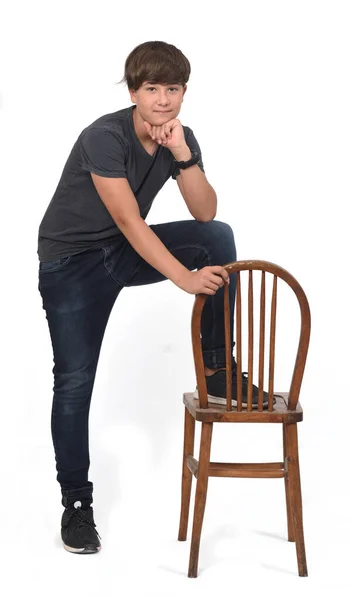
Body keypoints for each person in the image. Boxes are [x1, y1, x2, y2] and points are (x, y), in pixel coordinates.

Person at [37, 40, 271, 555]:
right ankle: (76, 504)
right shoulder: (103, 135)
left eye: (173, 89)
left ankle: (218, 371)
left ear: (184, 91)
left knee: (217, 238)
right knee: (74, 381)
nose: (163, 100)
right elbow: (127, 218)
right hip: (71, 265)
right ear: (133, 91)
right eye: (151, 89)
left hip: (121, 252)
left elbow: (206, 213)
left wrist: (183, 155)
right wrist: (183, 280)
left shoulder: (177, 138)